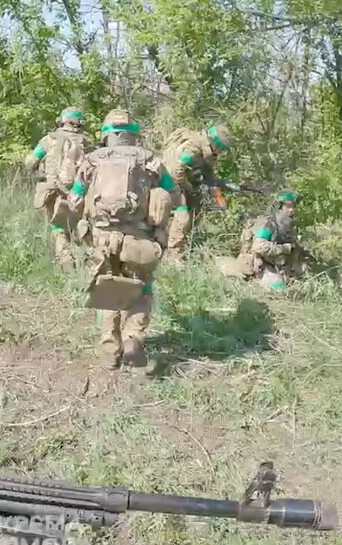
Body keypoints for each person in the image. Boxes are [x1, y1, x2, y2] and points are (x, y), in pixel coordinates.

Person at [68, 109, 179, 372]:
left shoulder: (92, 160)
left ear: (107, 134)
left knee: (107, 290)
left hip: (102, 239)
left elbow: (74, 199)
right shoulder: (150, 159)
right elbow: (173, 195)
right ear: (134, 134)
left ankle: (109, 349)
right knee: (142, 289)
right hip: (139, 240)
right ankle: (133, 339)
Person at [24, 107, 92, 271]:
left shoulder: (49, 139)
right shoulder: (86, 143)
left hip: (54, 189)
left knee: (58, 226)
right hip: (80, 192)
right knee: (81, 224)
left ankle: (66, 261)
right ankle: (91, 258)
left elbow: (30, 162)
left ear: (61, 120)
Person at [160, 124, 233, 256]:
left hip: (182, 180)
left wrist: (219, 198)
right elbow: (176, 170)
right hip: (169, 179)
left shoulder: (208, 153)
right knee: (183, 215)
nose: (222, 152)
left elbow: (209, 176)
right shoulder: (193, 148)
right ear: (214, 143)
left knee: (196, 210)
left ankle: (182, 242)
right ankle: (173, 254)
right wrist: (188, 187)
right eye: (221, 148)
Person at [216, 191, 306, 290]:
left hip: (276, 263)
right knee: (277, 286)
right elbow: (259, 246)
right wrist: (283, 249)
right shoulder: (267, 224)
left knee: (303, 272)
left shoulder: (286, 225)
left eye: (293, 206)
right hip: (259, 262)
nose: (291, 210)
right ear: (279, 207)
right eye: (288, 207)